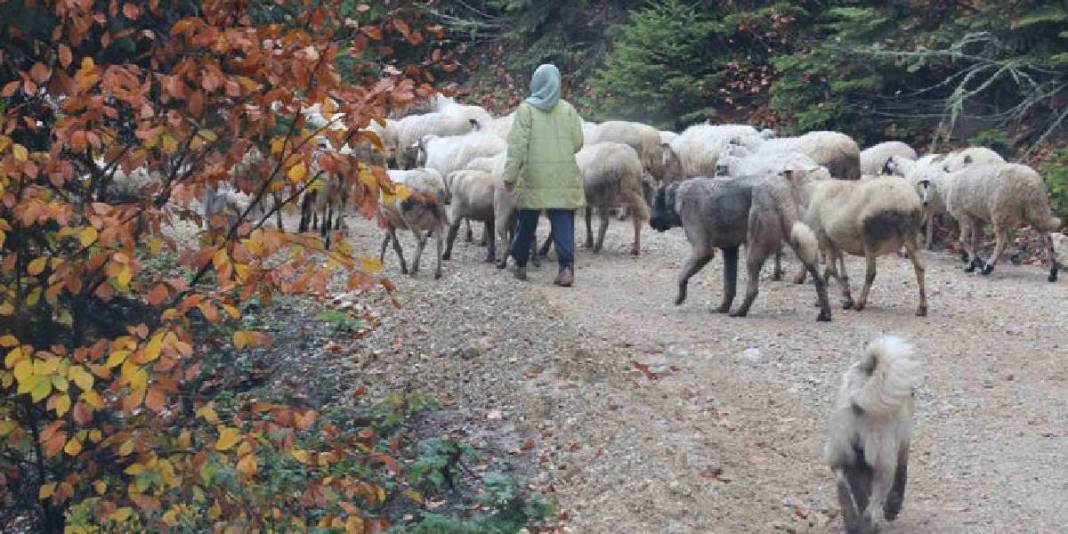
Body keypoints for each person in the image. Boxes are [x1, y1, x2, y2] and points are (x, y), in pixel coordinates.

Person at [501, 64, 585, 287]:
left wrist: (509, 175)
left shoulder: (526, 109)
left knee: (527, 218)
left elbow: (517, 146)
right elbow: (578, 143)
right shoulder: (567, 109)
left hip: (534, 174)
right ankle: (566, 268)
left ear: (536, 82)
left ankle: (519, 262)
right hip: (564, 174)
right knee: (562, 218)